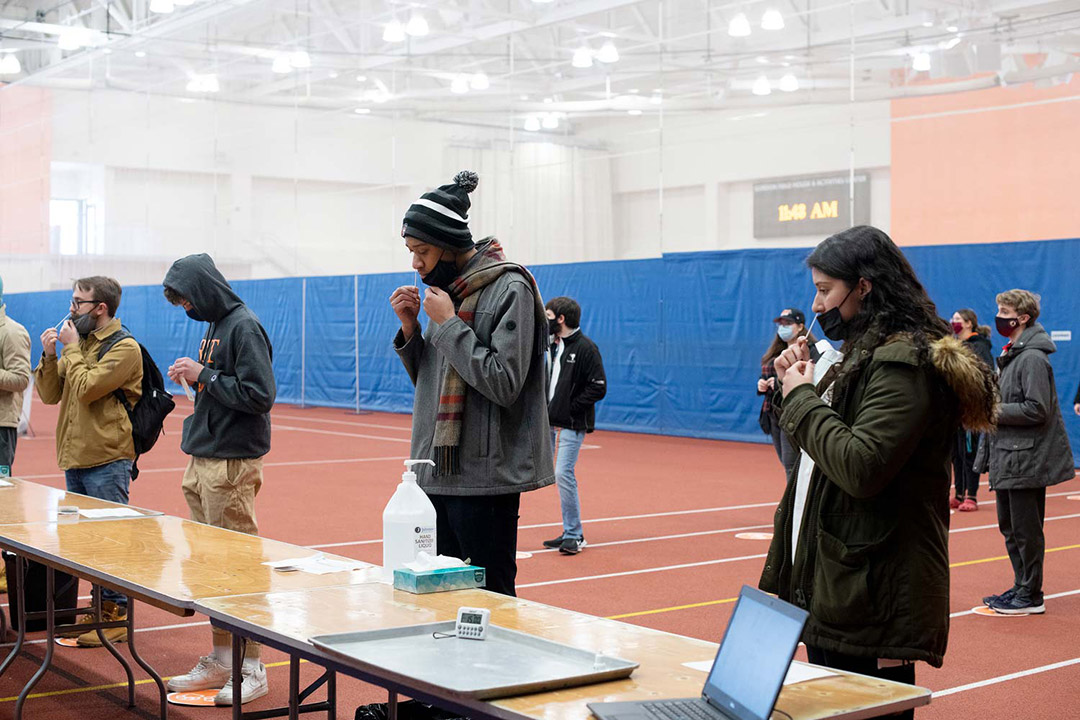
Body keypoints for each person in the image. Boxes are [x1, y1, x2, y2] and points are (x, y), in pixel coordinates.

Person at [759, 226, 996, 716]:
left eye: (826, 289)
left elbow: (860, 466)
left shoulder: (903, 360)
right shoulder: (865, 353)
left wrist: (800, 395)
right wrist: (806, 384)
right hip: (845, 581)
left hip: (872, 587)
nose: (817, 304)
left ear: (863, 286)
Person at [389, 170, 554, 596]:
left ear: (450, 244)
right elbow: (435, 383)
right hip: (436, 473)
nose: (415, 263)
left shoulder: (509, 288)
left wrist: (445, 325)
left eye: (422, 250)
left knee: (491, 598)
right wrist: (411, 332)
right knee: (438, 594)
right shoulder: (449, 292)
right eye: (410, 251)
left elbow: (503, 382)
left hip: (484, 480)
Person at [162, 254, 276, 705]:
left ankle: (252, 667)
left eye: (188, 298)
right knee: (208, 565)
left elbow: (260, 394)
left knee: (236, 565)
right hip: (205, 456)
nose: (186, 307)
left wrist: (204, 373)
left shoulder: (243, 326)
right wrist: (199, 376)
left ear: (205, 289)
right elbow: (223, 386)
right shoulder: (215, 325)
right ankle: (223, 657)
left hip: (230, 462)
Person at [35, 277, 143, 646]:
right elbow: (50, 395)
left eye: (79, 302)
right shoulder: (76, 345)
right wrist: (50, 355)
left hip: (107, 457)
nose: (71, 308)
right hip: (76, 455)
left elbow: (86, 388)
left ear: (101, 307)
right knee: (85, 543)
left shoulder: (124, 347)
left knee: (111, 540)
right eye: (72, 300)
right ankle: (98, 608)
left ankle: (116, 612)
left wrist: (70, 350)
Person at [977, 290, 1073, 616]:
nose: (1000, 315)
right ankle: (1021, 586)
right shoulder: (1014, 353)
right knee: (1010, 527)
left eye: (1005, 310)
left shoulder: (1031, 358)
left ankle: (1031, 594)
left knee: (1025, 530)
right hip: (1011, 455)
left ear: (1023, 317)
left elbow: (1037, 409)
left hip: (1025, 458)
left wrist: (993, 410)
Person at [541, 296, 607, 555]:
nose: (545, 321)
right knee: (541, 472)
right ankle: (568, 530)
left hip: (571, 423)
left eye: (548, 316)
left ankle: (574, 534)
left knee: (563, 474)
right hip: (549, 421)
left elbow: (598, 386)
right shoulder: (554, 345)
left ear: (561, 319)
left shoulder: (586, 348)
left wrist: (570, 407)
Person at [0, 276, 31, 595]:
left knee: (1, 499)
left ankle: (6, 566)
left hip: (1, 427)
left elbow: (21, 378)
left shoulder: (11, 332)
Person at [757, 309, 815, 478]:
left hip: (792, 413)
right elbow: (766, 376)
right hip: (773, 413)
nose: (783, 327)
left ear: (800, 327)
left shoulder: (808, 351)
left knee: (792, 464)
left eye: (788, 323)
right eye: (781, 324)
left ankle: (797, 503)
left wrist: (780, 384)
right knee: (786, 462)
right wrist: (761, 384)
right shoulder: (774, 353)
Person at [949, 309, 994, 512]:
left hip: (970, 408)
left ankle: (971, 495)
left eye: (957, 319)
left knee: (969, 452)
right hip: (954, 409)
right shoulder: (952, 345)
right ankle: (958, 493)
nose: (953, 322)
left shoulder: (979, 346)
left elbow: (984, 374)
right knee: (956, 454)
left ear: (968, 323)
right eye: (953, 319)